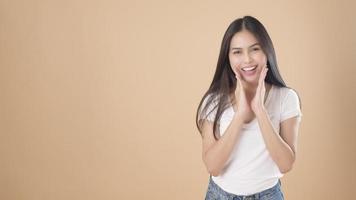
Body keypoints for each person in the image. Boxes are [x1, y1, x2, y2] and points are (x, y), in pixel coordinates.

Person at [196, 16, 303, 200]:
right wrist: (240, 116)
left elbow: (286, 164)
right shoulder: (214, 100)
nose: (247, 59)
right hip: (220, 195)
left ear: (267, 51)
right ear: (227, 57)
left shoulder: (286, 98)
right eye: (237, 52)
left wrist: (260, 111)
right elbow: (213, 167)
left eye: (255, 49)